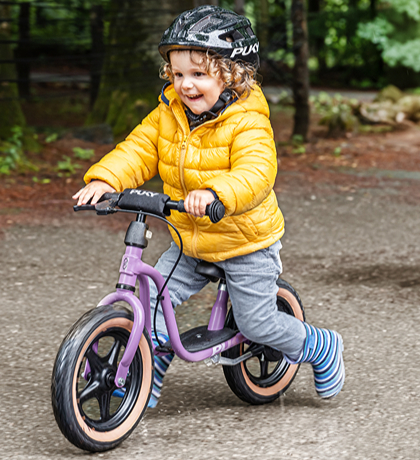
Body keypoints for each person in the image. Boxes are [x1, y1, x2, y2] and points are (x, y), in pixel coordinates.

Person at [73, 5, 344, 406]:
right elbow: (139, 149)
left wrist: (217, 194)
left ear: (232, 74)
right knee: (147, 302)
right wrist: (106, 179)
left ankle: (320, 346)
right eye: (178, 74)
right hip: (191, 240)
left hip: (245, 241)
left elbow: (256, 172)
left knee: (257, 323)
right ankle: (149, 371)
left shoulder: (248, 120)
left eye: (199, 74)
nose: (186, 85)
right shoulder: (169, 115)